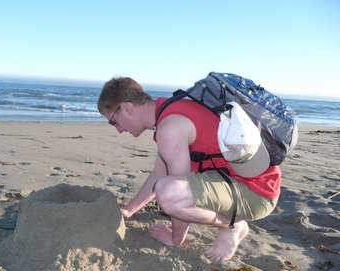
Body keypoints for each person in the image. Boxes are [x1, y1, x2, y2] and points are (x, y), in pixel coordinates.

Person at [97, 77, 281, 261]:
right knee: (167, 186)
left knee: (168, 193)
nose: (119, 130)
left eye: (114, 121)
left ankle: (233, 226)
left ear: (127, 108)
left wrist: (176, 238)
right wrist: (130, 209)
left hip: (256, 193)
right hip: (247, 184)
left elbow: (176, 190)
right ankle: (230, 221)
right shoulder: (170, 111)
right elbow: (159, 173)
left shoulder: (169, 129)